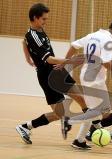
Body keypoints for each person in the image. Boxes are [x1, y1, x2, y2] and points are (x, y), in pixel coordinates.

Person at [16, 3, 87, 144]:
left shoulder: (39, 29)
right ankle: (26, 127)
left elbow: (23, 41)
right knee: (60, 114)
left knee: (80, 96)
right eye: (44, 19)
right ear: (35, 18)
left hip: (57, 70)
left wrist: (27, 58)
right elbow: (49, 59)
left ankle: (94, 126)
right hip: (47, 76)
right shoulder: (33, 36)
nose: (45, 21)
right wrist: (70, 61)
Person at [60, 19, 112, 149]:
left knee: (93, 111)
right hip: (95, 80)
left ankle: (79, 140)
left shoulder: (93, 35)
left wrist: (65, 61)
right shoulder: (109, 41)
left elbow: (74, 45)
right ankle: (70, 121)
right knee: (104, 110)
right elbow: (106, 63)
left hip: (85, 76)